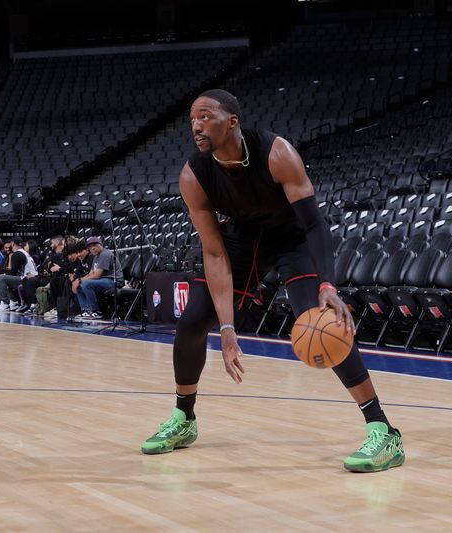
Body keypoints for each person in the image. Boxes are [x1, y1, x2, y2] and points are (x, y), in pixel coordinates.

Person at [140, 89, 404, 473]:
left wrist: (328, 285)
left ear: (231, 121)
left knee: (320, 321)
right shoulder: (193, 175)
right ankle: (184, 419)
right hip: (241, 240)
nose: (196, 125)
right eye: (192, 119)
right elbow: (214, 253)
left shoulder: (276, 153)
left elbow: (313, 222)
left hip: (291, 237)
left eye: (205, 116)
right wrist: (227, 327)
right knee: (193, 320)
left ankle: (384, 431)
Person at [75, 236, 122, 320]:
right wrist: (78, 281)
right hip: (103, 280)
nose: (92, 248)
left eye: (95, 245)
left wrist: (80, 280)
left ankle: (95, 311)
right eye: (90, 247)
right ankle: (86, 310)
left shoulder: (105, 254)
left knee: (86, 284)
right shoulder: (96, 256)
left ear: (100, 244)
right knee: (79, 286)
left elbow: (97, 275)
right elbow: (90, 274)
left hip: (113, 280)